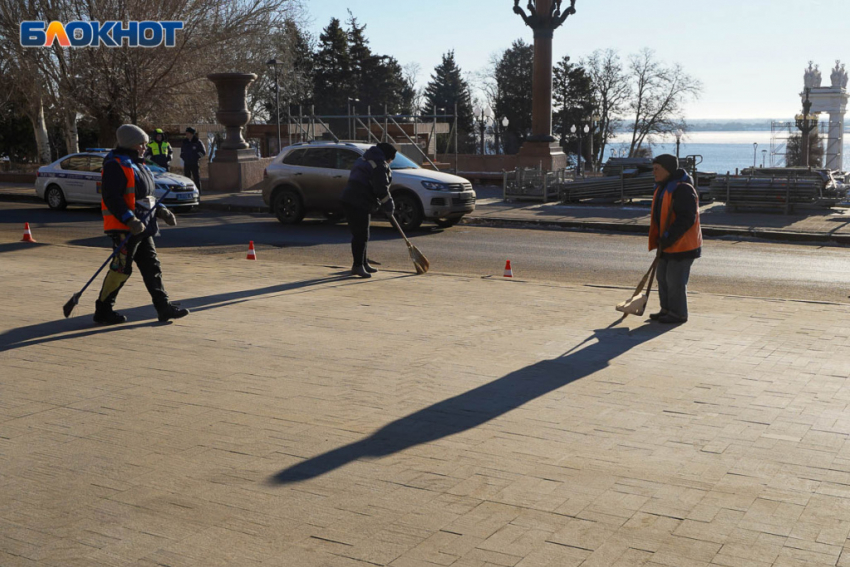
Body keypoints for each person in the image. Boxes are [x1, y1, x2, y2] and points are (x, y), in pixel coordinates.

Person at [94, 124, 189, 325]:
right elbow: (112, 197)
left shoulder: (140, 164)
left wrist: (162, 211)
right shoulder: (115, 164)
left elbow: (148, 196)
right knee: (121, 269)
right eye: (141, 143)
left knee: (152, 267)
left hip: (143, 226)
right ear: (130, 144)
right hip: (124, 228)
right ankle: (103, 310)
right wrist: (130, 219)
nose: (145, 147)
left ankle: (163, 308)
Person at [648, 154, 702, 325]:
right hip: (667, 243)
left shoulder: (683, 189)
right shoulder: (663, 187)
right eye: (653, 169)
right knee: (662, 277)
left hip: (682, 244)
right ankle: (666, 309)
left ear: (668, 169)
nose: (653, 172)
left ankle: (678, 313)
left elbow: (687, 218)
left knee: (675, 280)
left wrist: (669, 236)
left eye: (657, 169)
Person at [340, 143, 396, 278]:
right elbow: (381, 189)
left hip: (354, 200)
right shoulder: (378, 164)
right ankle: (357, 266)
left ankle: (363, 263)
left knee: (364, 234)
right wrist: (389, 206)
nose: (390, 163)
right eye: (390, 160)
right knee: (360, 235)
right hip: (357, 201)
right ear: (387, 156)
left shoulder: (364, 159)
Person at [181, 127, 205, 191]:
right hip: (187, 163)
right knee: (187, 179)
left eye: (188, 133)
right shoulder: (185, 142)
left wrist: (195, 157)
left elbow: (203, 152)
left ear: (191, 134)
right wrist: (184, 157)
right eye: (186, 133)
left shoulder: (198, 142)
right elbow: (182, 151)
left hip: (194, 163)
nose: (186, 134)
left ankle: (198, 192)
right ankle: (187, 192)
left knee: (196, 178)